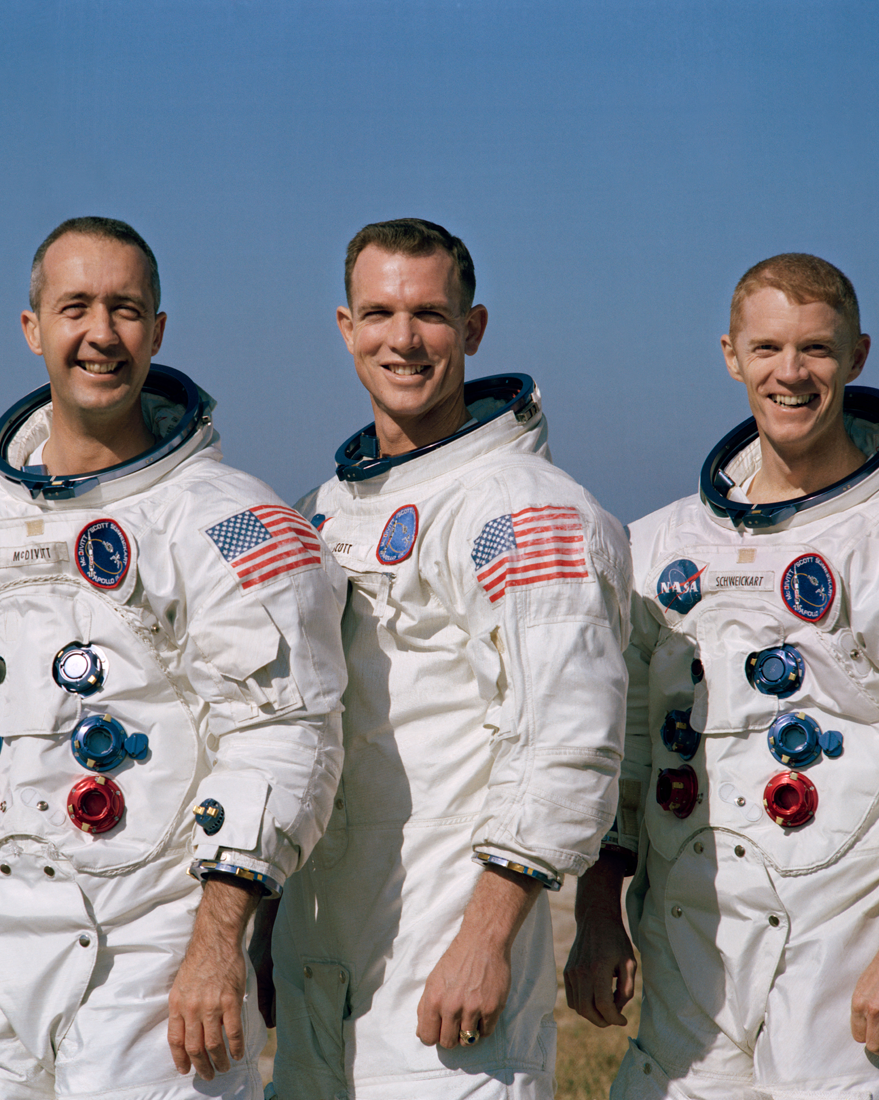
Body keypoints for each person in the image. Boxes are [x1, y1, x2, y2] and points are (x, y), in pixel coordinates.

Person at [0, 217, 347, 1100]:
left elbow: (283, 735)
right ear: (32, 327)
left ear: (157, 333)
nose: (100, 333)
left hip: (152, 967)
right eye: (74, 306)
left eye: (125, 310)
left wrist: (215, 945)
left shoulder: (234, 523)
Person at [257, 218, 632, 1099]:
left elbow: (564, 743)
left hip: (447, 949)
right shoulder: (323, 511)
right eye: (380, 313)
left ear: (473, 329)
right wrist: (272, 924)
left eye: (429, 313)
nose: (404, 338)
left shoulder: (526, 508)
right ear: (346, 328)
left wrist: (486, 943)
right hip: (323, 956)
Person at [565, 253, 879, 1099]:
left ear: (857, 357)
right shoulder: (660, 546)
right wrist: (598, 916)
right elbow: (625, 745)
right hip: (689, 951)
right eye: (768, 347)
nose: (791, 373)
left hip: (850, 950)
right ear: (731, 355)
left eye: (816, 349)